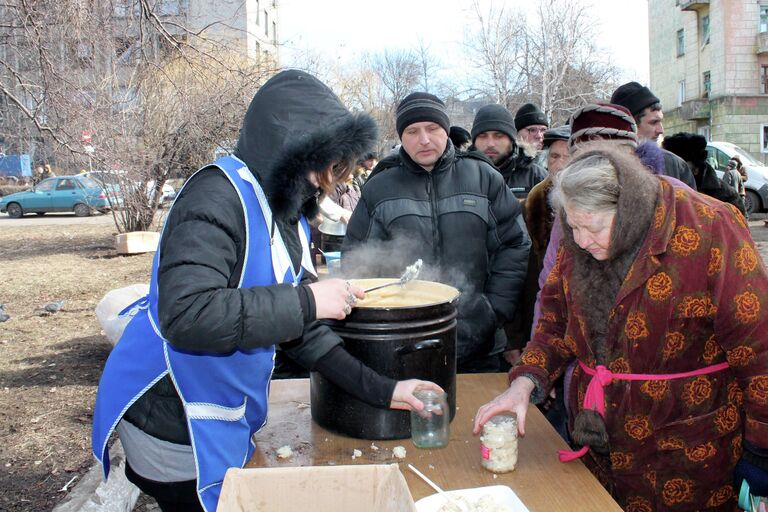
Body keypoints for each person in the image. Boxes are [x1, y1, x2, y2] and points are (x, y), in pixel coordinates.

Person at [92, 70, 442, 512]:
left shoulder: (284, 213)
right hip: (170, 418)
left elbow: (300, 328)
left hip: (218, 411)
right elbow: (185, 315)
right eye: (325, 163)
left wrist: (387, 391)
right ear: (291, 149)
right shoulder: (214, 196)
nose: (326, 180)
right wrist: (309, 300)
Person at [474, 143, 768, 511]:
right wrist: (524, 383)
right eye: (573, 228)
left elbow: (758, 348)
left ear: (627, 212)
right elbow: (555, 322)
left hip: (688, 452)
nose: (580, 241)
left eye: (592, 228)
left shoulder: (709, 228)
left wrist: (760, 456)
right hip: (599, 445)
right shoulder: (580, 233)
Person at [343, 92, 531, 374]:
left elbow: (515, 245)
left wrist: (492, 310)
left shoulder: (483, 178)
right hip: (404, 344)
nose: (424, 139)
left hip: (481, 343)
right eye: (412, 131)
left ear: (446, 130)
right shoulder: (380, 187)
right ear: (401, 136)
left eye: (432, 129)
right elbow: (357, 261)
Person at [611, 81, 697, 189]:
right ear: (629, 125)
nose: (661, 130)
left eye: (660, 122)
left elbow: (691, 205)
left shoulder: (675, 165)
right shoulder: (601, 165)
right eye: (653, 122)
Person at [470, 104, 547, 200]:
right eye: (482, 136)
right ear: (474, 141)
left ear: (512, 140)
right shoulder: (460, 175)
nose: (490, 144)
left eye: (498, 136)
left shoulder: (536, 176)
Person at [662, 132, 746, 216]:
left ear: (696, 169)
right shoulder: (661, 189)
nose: (671, 170)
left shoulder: (726, 197)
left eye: (678, 166)